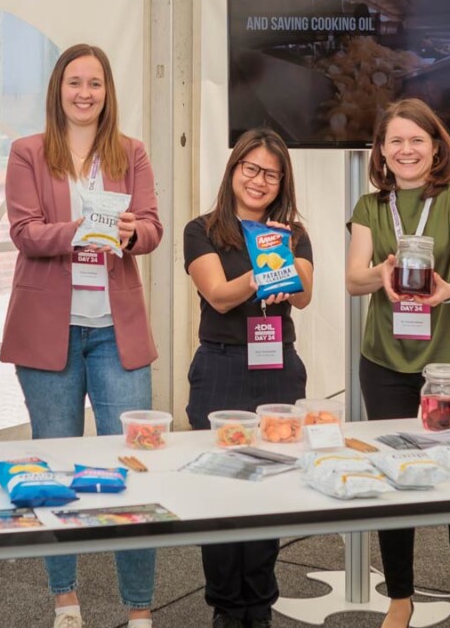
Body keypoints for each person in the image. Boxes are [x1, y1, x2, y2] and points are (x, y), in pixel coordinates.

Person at [1, 44, 162, 628]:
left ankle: (140, 608)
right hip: (50, 334)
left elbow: (152, 227)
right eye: (75, 82)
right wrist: (88, 229)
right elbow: (25, 232)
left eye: (95, 83)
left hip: (115, 333)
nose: (85, 93)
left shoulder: (132, 153)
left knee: (131, 466)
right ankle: (64, 599)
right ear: (58, 89)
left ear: (107, 91)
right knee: (53, 470)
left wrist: (131, 232)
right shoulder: (27, 152)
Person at [346, 98, 450, 628]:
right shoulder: (370, 207)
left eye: (416, 140)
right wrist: (382, 272)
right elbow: (352, 279)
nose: (406, 150)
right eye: (395, 142)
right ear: (382, 152)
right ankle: (400, 600)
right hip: (384, 362)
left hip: (449, 368)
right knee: (395, 483)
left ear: (436, 147)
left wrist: (449, 292)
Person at [183, 128, 314, 628]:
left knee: (268, 489)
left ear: (282, 182)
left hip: (277, 367)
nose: (259, 180)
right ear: (234, 169)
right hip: (220, 367)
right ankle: (225, 606)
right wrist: (264, 272)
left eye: (271, 174)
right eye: (251, 169)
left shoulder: (292, 232)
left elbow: (303, 293)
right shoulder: (203, 229)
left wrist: (285, 267)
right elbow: (217, 294)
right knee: (220, 491)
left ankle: (258, 606)